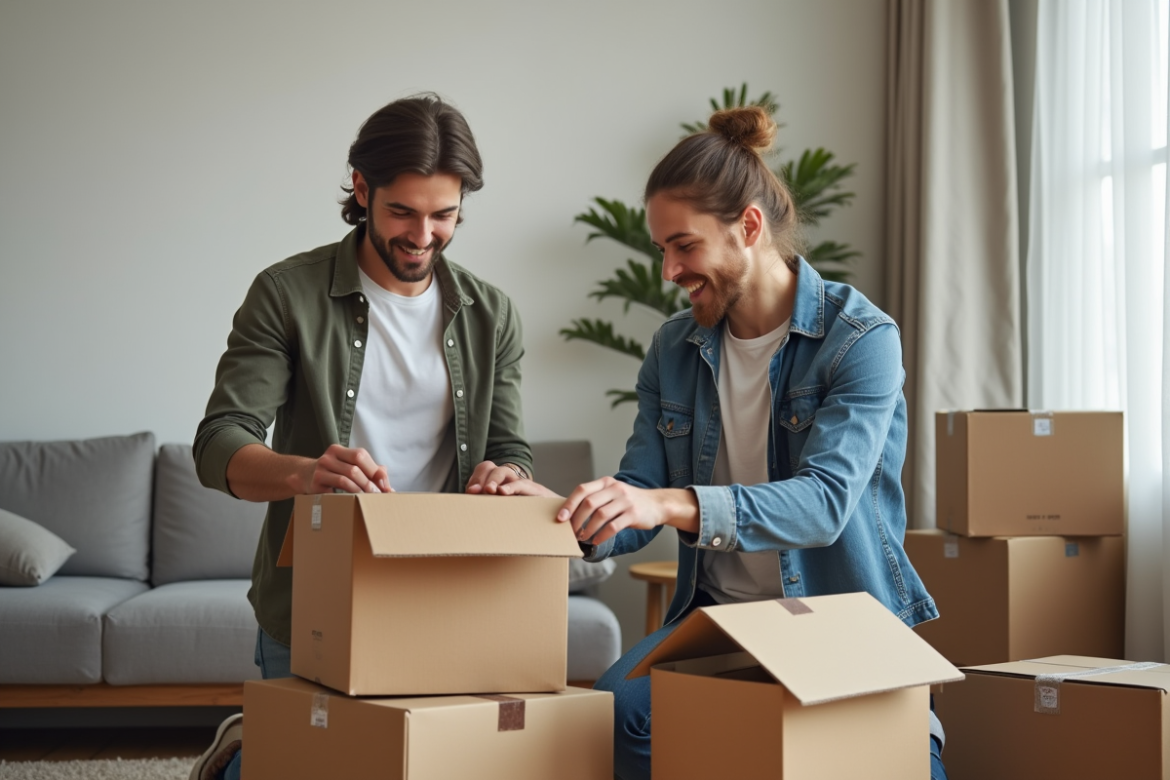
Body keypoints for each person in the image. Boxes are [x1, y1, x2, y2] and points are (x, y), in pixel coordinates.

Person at [502, 106, 948, 779]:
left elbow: (824, 504)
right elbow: (640, 492)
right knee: (617, 715)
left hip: (840, 620)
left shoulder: (860, 339)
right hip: (725, 624)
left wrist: (671, 504)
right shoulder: (673, 350)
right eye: (662, 250)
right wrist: (563, 511)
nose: (669, 270)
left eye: (684, 246)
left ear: (749, 227)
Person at [188, 94, 532, 780]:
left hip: (447, 591)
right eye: (403, 211)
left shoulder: (491, 314)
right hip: (316, 593)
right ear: (362, 189)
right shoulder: (285, 294)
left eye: (443, 215)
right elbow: (220, 441)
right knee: (311, 767)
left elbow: (511, 450)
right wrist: (304, 474)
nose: (423, 235)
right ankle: (243, 757)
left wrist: (510, 476)